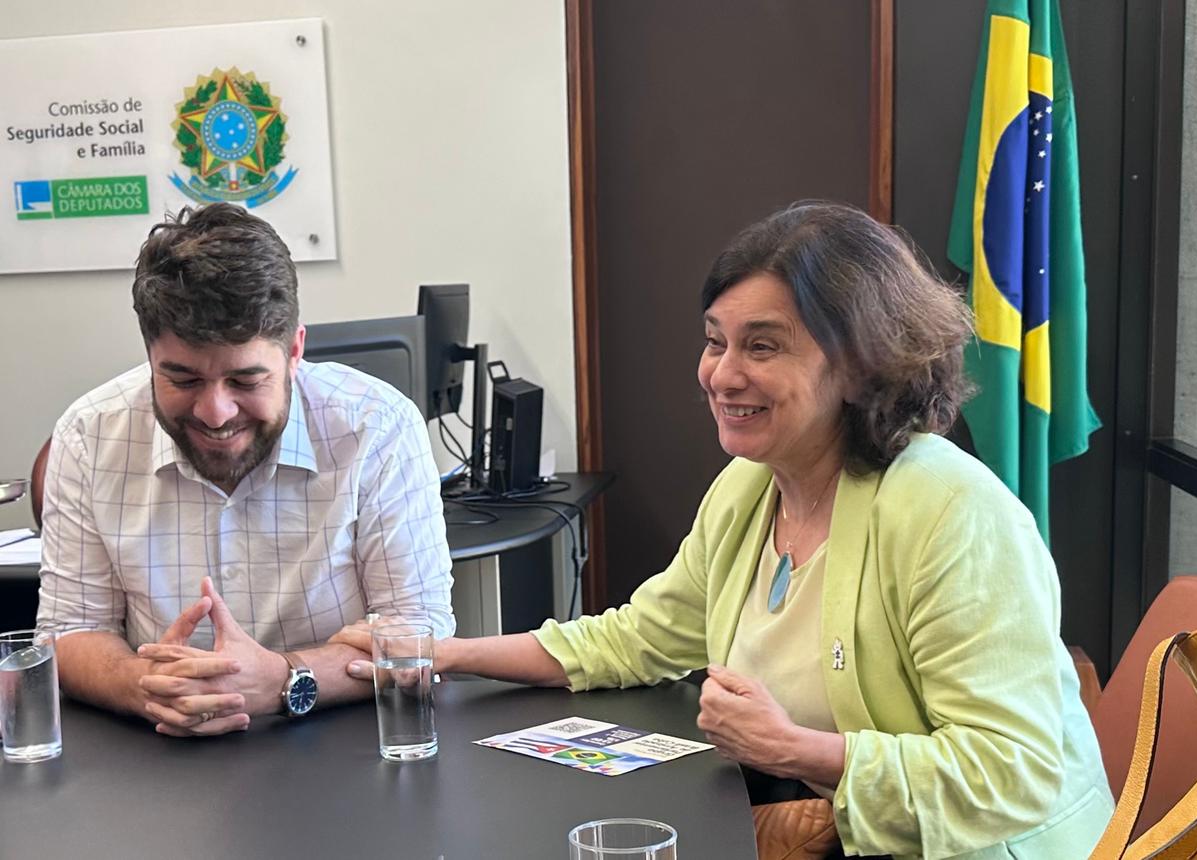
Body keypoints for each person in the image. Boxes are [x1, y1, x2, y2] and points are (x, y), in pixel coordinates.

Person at [336, 201, 1112, 859]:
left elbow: (1017, 772)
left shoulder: (953, 515)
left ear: (862, 364)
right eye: (716, 341)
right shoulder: (749, 487)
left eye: (762, 346)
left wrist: (795, 750)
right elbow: (639, 638)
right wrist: (440, 653)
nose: (722, 373)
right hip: (835, 826)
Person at [37, 203, 454, 737]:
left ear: (295, 351)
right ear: (149, 355)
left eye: (245, 381)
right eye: (183, 380)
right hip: (157, 761)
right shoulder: (89, 435)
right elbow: (71, 631)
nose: (216, 413)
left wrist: (284, 679)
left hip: (346, 749)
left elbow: (419, 633)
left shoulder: (378, 426)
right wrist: (148, 685)